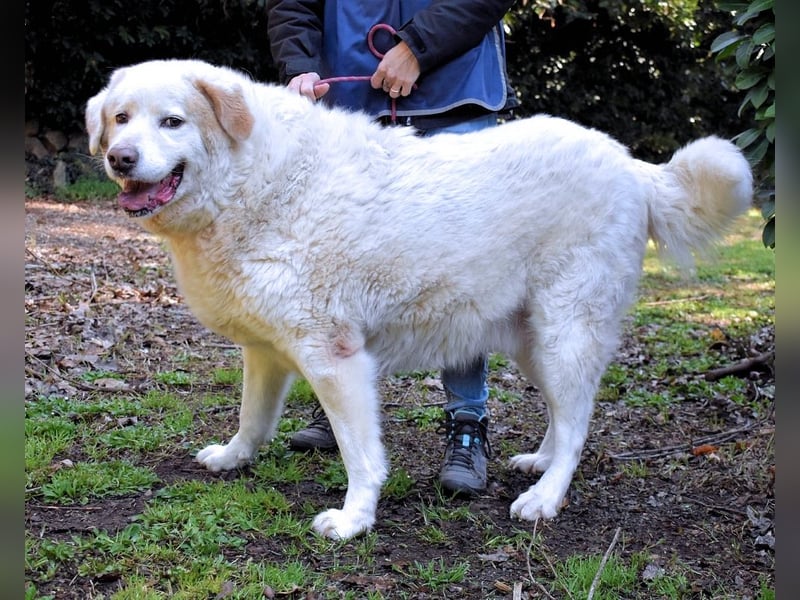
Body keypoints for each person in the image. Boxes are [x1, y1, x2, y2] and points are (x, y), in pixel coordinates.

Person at [265, 0, 519, 496]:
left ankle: (467, 421)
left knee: (460, 271)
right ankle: (339, 403)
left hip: (456, 93)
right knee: (340, 262)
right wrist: (298, 65)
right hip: (347, 102)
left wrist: (417, 48)